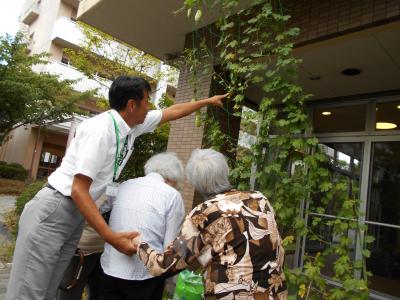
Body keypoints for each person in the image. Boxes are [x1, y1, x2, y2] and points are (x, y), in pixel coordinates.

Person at [6, 76, 227, 300]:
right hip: (56, 208)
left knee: (50, 289)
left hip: (75, 214)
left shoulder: (130, 127)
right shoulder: (101, 130)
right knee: (28, 292)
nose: (149, 107)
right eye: (146, 101)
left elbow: (172, 112)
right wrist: (110, 237)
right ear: (132, 105)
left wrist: (206, 102)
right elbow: (78, 190)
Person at [135, 149, 288, 300]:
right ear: (226, 171)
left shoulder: (204, 213)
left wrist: (139, 244)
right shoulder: (260, 199)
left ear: (196, 183)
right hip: (274, 294)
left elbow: (163, 266)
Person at [100, 152, 185, 300]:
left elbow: (102, 208)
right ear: (172, 177)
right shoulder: (172, 195)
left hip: (109, 268)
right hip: (145, 276)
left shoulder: (125, 185)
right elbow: (169, 248)